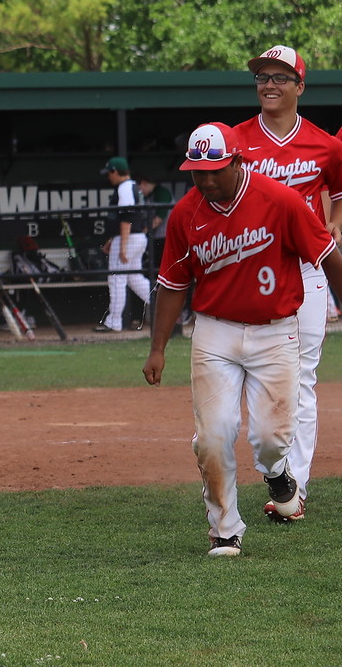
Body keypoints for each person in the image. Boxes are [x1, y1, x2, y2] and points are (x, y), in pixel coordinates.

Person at [143, 122, 342, 557]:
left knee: (272, 437)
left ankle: (276, 472)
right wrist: (158, 347)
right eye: (198, 171)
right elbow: (173, 285)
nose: (207, 179)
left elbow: (327, 255)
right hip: (215, 330)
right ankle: (225, 530)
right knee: (213, 435)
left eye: (215, 169)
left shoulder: (281, 200)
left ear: (237, 161)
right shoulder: (185, 214)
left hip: (276, 331)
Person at [236, 45, 342, 523]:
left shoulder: (325, 145)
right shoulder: (235, 140)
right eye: (263, 77)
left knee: (302, 379)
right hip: (247, 272)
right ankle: (274, 469)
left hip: (304, 269)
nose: (269, 84)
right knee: (253, 380)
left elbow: (339, 194)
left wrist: (335, 224)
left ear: (299, 86)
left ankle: (291, 490)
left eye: (280, 77)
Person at [92, 157, 152, 333]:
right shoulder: (132, 187)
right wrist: (114, 240)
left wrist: (123, 245)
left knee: (116, 278)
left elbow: (128, 219)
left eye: (110, 173)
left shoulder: (125, 188)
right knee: (134, 278)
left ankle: (113, 322)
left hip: (129, 238)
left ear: (116, 172)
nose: (109, 177)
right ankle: (164, 305)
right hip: (136, 237)